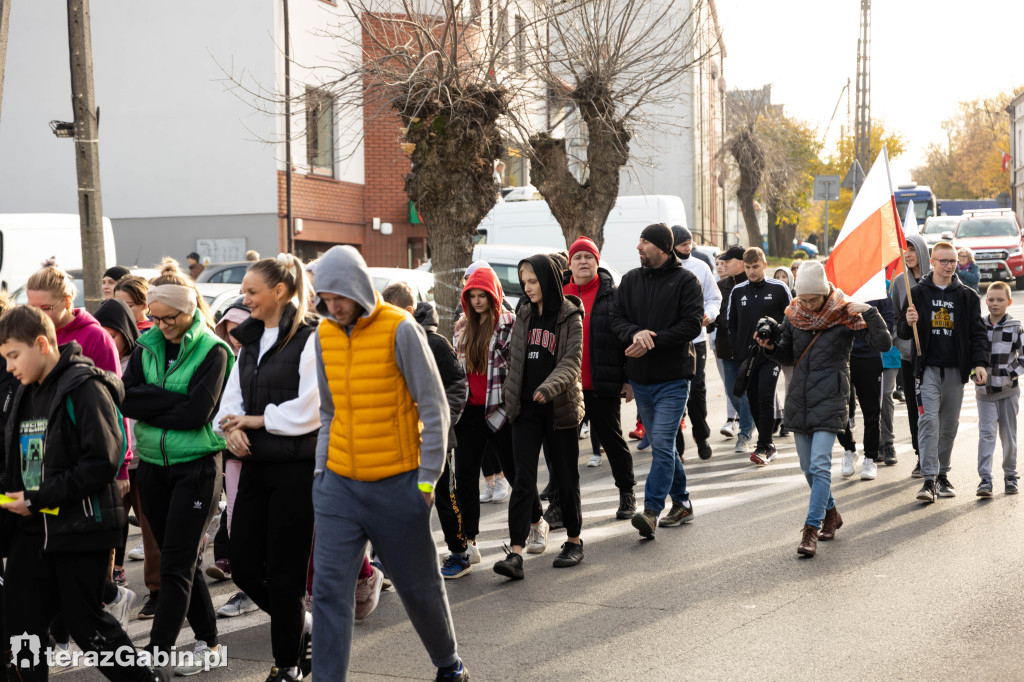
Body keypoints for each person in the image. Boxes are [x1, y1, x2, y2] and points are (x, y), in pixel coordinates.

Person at [311, 246, 467, 682]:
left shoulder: (400, 329)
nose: (333, 305)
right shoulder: (322, 334)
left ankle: (448, 665)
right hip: (338, 486)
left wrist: (425, 481)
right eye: (324, 297)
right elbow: (329, 411)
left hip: (398, 484)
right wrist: (321, 474)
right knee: (327, 592)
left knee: (419, 589)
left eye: (339, 295)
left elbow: (434, 406)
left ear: (358, 288)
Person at [0, 305, 167, 681]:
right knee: (21, 628)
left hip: (80, 529)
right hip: (33, 530)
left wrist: (39, 498)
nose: (9, 367)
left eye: (13, 356)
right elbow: (18, 460)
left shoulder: (85, 386)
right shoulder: (25, 392)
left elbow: (102, 461)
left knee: (87, 625)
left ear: (42, 344)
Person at [122, 264, 233, 674]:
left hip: (198, 467)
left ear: (190, 311)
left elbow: (199, 413)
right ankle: (210, 645)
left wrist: (152, 400)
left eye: (172, 317)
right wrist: (173, 400)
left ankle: (157, 654)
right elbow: (124, 399)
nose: (164, 325)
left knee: (174, 564)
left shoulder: (213, 350)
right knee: (180, 561)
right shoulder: (147, 344)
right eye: (157, 317)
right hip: (151, 465)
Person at [757, 260, 891, 557]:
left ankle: (811, 529)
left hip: (832, 396)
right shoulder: (794, 314)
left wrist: (871, 312)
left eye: (813, 299)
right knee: (808, 468)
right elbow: (788, 355)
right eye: (803, 299)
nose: (808, 305)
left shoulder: (844, 312)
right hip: (799, 398)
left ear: (824, 292)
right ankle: (832, 513)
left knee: (819, 465)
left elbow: (883, 343)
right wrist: (769, 348)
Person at [493, 253, 585, 578]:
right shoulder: (524, 314)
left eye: (532, 281)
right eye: (524, 282)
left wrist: (548, 387)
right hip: (526, 411)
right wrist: (510, 399)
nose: (527, 287)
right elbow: (515, 361)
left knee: (565, 476)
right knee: (522, 480)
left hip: (559, 410)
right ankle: (516, 553)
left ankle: (574, 540)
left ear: (546, 279)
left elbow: (572, 361)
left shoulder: (570, 316)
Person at [611, 223, 704, 538]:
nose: (638, 248)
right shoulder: (630, 280)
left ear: (663, 248)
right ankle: (683, 503)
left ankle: (651, 511)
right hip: (641, 380)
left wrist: (656, 338)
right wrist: (634, 333)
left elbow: (692, 324)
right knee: (665, 449)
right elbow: (616, 319)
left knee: (662, 444)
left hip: (674, 379)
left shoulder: (686, 281)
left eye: (644, 243)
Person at [384, 283, 472, 581]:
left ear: (408, 311)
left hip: (436, 436)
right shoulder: (390, 341)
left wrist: (440, 421)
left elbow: (458, 385)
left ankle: (460, 553)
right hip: (400, 438)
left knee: (445, 497)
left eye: (390, 311)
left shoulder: (435, 343)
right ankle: (392, 558)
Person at [898, 241, 989, 503]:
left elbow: (977, 333)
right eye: (944, 261)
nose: (949, 266)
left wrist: (979, 363)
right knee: (928, 423)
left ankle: (942, 474)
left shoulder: (967, 296)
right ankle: (928, 479)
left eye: (953, 262)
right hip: (927, 370)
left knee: (949, 426)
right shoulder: (917, 293)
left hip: (955, 372)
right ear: (933, 262)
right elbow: (903, 332)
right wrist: (908, 321)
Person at [562, 236, 637, 519]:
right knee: (563, 447)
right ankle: (562, 503)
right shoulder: (559, 294)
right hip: (567, 387)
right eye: (578, 257)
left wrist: (628, 378)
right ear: (570, 263)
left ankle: (627, 493)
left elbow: (626, 338)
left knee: (612, 440)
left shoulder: (613, 295)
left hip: (602, 383)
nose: (583, 262)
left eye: (588, 257)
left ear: (597, 261)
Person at [452, 265, 517, 564]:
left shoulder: (509, 325)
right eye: (472, 295)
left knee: (515, 472)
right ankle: (470, 541)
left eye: (483, 295)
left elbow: (517, 371)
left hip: (500, 409)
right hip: (470, 412)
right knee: (465, 478)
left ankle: (535, 523)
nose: (477, 301)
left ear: (494, 295)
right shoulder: (463, 328)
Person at [94, 299, 142, 593]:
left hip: (144, 456)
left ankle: (158, 588)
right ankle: (111, 580)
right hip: (115, 460)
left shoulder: (140, 359)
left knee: (151, 534)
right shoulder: (94, 362)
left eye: (112, 335)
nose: (107, 342)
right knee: (112, 527)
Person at [727, 248, 792, 464]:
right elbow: (731, 324)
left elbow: (791, 319)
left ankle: (763, 445)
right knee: (753, 400)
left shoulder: (780, 288)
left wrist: (779, 342)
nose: (751, 271)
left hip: (772, 355)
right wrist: (738, 349)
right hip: (748, 357)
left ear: (764, 265)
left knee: (766, 397)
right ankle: (768, 444)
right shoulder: (737, 291)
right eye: (747, 267)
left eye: (755, 267)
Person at [672, 226, 722, 460]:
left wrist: (709, 315)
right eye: (683, 244)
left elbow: (714, 297)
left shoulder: (701, 267)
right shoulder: (661, 270)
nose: (687, 247)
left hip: (697, 340)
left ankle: (701, 436)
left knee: (697, 391)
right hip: (670, 341)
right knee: (673, 392)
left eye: (690, 243)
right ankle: (677, 446)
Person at [837, 297, 895, 481]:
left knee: (871, 410)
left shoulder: (881, 296)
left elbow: (886, 334)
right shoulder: (840, 294)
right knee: (840, 409)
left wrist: (868, 310)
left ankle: (870, 458)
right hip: (841, 357)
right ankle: (849, 450)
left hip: (869, 357)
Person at [975, 281, 1023, 497]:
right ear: (986, 301)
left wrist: (1008, 374)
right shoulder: (978, 326)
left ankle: (1010, 475)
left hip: (1008, 392)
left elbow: (1022, 358)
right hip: (984, 393)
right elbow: (971, 355)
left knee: (1009, 435)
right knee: (986, 434)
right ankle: (985, 479)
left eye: (1000, 300)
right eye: (991, 300)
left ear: (1009, 302)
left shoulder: (1015, 327)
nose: (995, 304)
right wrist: (973, 373)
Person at [890, 234, 931, 475]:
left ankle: (935, 456)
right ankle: (920, 455)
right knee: (915, 408)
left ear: (923, 252)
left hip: (935, 358)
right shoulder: (899, 282)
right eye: (904, 249)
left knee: (932, 409)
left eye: (912, 249)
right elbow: (894, 317)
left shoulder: (934, 280)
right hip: (909, 358)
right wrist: (901, 343)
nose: (908, 253)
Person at [714, 246, 755, 451]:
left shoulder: (752, 285)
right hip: (725, 347)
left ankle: (745, 433)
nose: (724, 265)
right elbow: (714, 310)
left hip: (749, 349)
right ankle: (751, 417)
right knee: (733, 392)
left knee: (746, 391)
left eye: (728, 261)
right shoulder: (720, 285)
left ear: (740, 263)